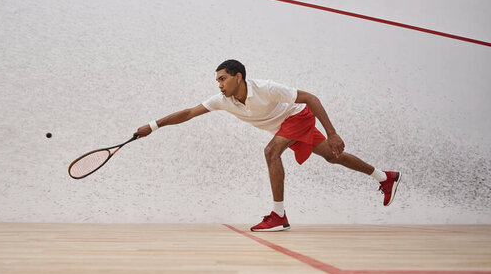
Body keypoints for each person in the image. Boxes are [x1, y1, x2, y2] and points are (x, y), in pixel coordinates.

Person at [134, 60, 401, 231]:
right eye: (217, 80)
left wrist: (332, 132)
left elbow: (310, 98)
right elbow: (189, 113)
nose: (219, 84)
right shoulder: (222, 100)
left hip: (297, 117)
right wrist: (153, 125)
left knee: (271, 151)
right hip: (286, 128)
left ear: (238, 77)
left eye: (223, 78)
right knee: (333, 157)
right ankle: (385, 177)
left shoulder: (266, 88)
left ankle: (278, 215)